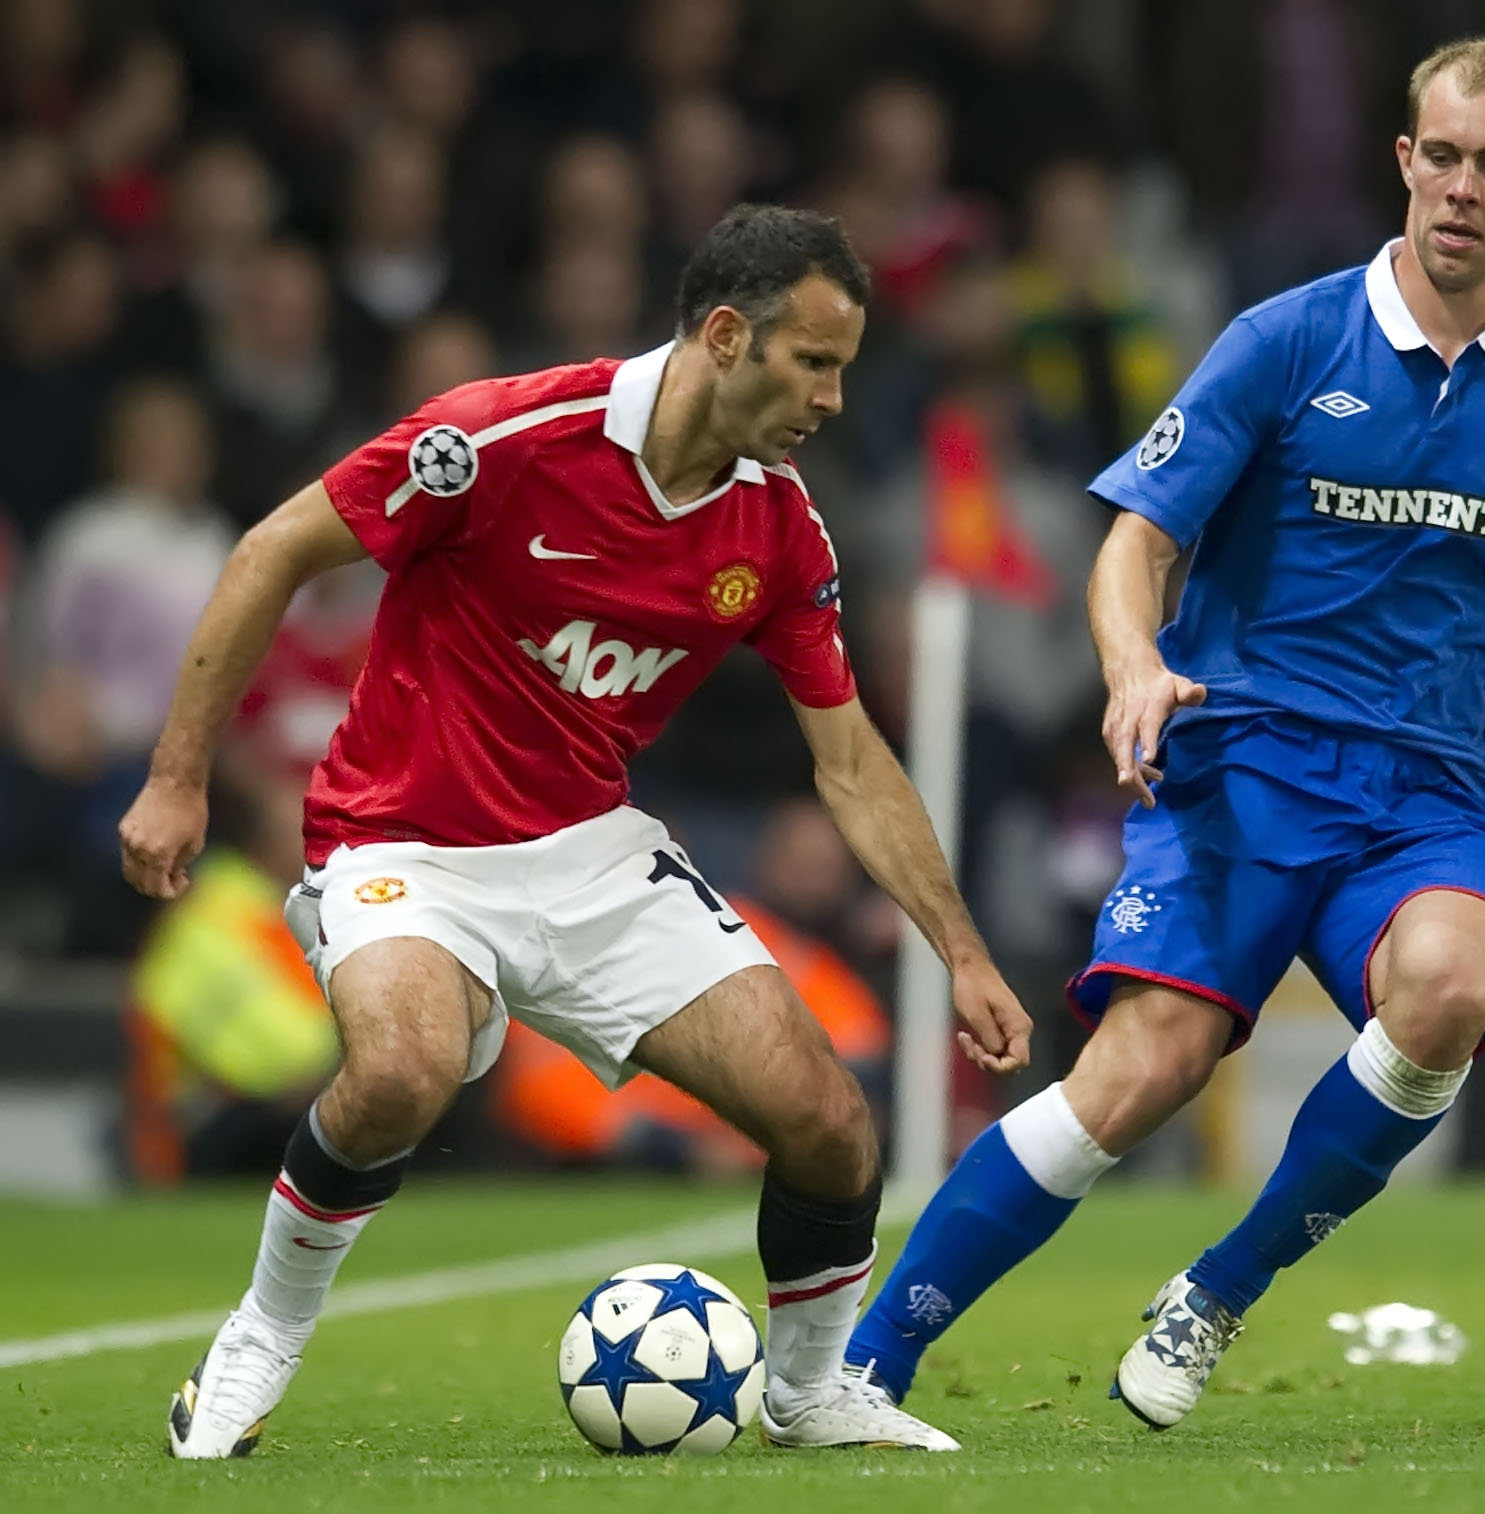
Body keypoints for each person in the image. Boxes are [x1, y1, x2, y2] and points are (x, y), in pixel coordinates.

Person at [119, 204, 1031, 1458]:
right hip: (402, 842)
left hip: (590, 850)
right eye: (814, 362)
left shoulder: (776, 528)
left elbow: (854, 761)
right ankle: (256, 1343)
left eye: (844, 368)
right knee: (398, 1072)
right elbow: (276, 548)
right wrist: (179, 780)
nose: (831, 397)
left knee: (829, 1123)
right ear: (726, 335)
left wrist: (964, 951)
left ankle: (812, 1389)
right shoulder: (500, 437)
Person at [845, 37, 1485, 1429]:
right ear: (1402, 161)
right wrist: (1130, 668)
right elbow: (1137, 538)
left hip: (1431, 798)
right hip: (1239, 765)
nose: (1462, 188)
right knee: (1139, 1070)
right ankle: (861, 1366)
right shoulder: (1285, 338)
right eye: (1442, 157)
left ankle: (1215, 1289)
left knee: (1456, 986)